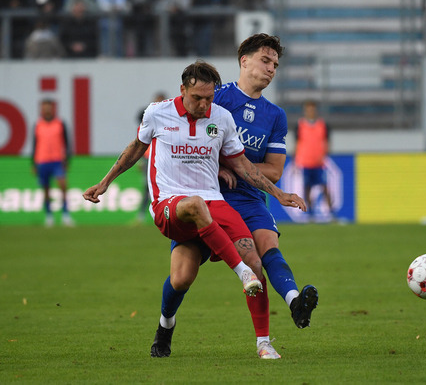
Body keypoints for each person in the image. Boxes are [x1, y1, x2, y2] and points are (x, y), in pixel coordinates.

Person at [82, 60, 306, 358]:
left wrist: (278, 194)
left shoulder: (222, 118)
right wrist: (105, 182)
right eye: (197, 98)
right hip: (169, 203)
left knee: (235, 265)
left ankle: (262, 343)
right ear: (182, 90)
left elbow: (241, 164)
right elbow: (136, 148)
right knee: (198, 213)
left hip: (213, 201)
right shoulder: (157, 113)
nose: (203, 105)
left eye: (209, 98)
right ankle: (238, 274)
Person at [183, 33, 319, 359]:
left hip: (250, 198)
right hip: (207, 195)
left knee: (265, 250)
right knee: (182, 276)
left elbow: (274, 170)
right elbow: (188, 141)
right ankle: (165, 324)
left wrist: (235, 164)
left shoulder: (275, 115)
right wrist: (217, 165)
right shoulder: (216, 98)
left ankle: (293, 305)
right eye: (265, 60)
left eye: (275, 64)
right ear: (244, 61)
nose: (271, 68)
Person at [32, 99, 73, 227]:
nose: (47, 110)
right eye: (44, 108)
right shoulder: (38, 124)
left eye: (49, 107)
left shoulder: (60, 123)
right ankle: (49, 216)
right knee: (46, 189)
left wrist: (67, 159)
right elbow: (34, 144)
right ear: (41, 109)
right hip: (42, 160)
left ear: (53, 109)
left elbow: (66, 143)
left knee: (63, 186)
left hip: (57, 160)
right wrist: (33, 163)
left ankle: (66, 215)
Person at [295, 100, 333, 220]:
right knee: (307, 189)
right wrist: (296, 160)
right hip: (306, 163)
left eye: (312, 109)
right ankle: (311, 214)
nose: (310, 111)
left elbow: (327, 142)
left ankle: (332, 214)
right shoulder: (300, 125)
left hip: (319, 163)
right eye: (308, 109)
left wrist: (325, 154)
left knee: (325, 188)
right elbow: (297, 143)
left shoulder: (322, 125)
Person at [135, 91, 167, 223]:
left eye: (161, 100)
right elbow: (140, 142)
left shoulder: (168, 120)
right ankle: (142, 215)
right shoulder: (149, 119)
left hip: (162, 158)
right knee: (148, 187)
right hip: (148, 158)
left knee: (163, 186)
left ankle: (163, 214)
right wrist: (141, 160)